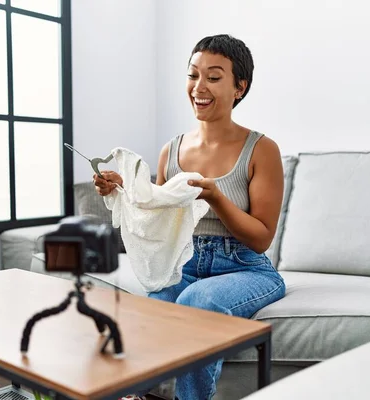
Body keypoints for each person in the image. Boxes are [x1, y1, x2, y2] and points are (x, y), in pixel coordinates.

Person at [94, 34, 285, 400]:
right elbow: (159, 217)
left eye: (214, 77)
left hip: (244, 267)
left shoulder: (261, 149)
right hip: (184, 262)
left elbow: (261, 237)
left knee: (199, 302)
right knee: (151, 308)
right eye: (193, 75)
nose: (199, 87)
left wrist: (215, 197)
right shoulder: (173, 149)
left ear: (239, 87)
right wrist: (124, 190)